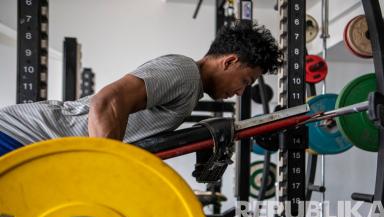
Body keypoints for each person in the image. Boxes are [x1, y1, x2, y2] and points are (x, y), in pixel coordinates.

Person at [0, 22, 282, 156]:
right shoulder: (183, 72)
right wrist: (105, 169)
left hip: (31, 144)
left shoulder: (190, 87)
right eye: (245, 81)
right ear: (230, 61)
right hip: (20, 136)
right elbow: (109, 100)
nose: (242, 91)